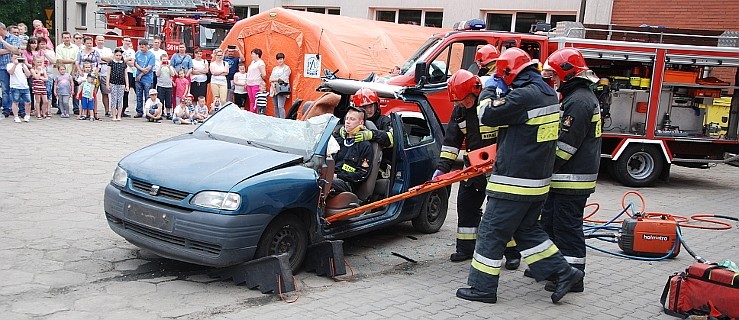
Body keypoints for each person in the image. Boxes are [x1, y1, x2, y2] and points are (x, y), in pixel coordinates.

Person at [456, 48, 583, 304]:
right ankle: (563, 272)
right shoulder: (547, 92)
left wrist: (489, 90)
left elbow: (487, 115)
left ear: (507, 73)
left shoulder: (524, 96)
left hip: (514, 182)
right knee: (527, 231)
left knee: (491, 231)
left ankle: (482, 288)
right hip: (537, 182)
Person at [537, 48, 602, 294]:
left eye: (554, 74)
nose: (551, 79)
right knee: (553, 223)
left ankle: (574, 278)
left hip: (571, 179)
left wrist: (544, 167)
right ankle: (558, 271)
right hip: (565, 178)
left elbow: (566, 146)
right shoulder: (576, 96)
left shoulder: (579, 101)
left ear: (567, 73)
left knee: (567, 227)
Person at [329, 106, 375, 195]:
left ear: (361, 122)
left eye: (352, 119)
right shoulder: (338, 141)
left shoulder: (365, 146)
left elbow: (362, 174)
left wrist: (337, 176)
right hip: (330, 177)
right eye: (346, 119)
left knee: (322, 182)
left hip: (347, 184)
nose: (347, 122)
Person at [350, 88, 393, 176]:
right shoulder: (353, 121)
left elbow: (392, 139)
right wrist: (343, 132)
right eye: (364, 107)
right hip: (355, 164)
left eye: (371, 106)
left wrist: (372, 135)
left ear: (376, 105)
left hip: (379, 167)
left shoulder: (384, 121)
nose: (368, 110)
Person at [0, 23, 22, 118]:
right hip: (2, 67)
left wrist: (2, 42)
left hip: (14, 67)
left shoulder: (14, 38)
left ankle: (17, 109)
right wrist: (10, 50)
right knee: (5, 89)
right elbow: (11, 49)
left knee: (16, 88)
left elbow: (16, 50)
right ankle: (6, 109)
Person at [56, 31, 79, 115]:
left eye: (68, 37)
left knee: (74, 90)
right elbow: (59, 60)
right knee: (61, 89)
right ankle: (60, 108)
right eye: (64, 38)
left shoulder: (75, 48)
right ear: (62, 38)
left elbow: (76, 62)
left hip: (72, 71)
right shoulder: (59, 48)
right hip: (62, 72)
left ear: (70, 38)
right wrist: (71, 61)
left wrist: (72, 73)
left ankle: (76, 108)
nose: (66, 39)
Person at [7, 51, 31, 122]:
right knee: (15, 102)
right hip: (15, 86)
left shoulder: (23, 65)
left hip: (24, 86)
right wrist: (15, 64)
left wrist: (23, 65)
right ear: (11, 58)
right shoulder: (10, 65)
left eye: (18, 58)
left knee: (28, 102)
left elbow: (28, 74)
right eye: (15, 58)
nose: (17, 59)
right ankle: (16, 116)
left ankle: (27, 115)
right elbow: (10, 72)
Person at [134, 39, 155, 118]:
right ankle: (139, 111)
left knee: (147, 96)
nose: (141, 48)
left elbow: (149, 68)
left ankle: (148, 112)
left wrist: (141, 74)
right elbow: (135, 63)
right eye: (140, 46)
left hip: (147, 79)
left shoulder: (151, 55)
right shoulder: (137, 53)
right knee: (138, 95)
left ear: (147, 46)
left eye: (143, 47)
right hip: (138, 78)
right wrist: (141, 70)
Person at [106, 48, 128, 121]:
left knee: (120, 99)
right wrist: (107, 84)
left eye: (120, 55)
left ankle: (119, 115)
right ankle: (113, 115)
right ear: (114, 55)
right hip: (113, 83)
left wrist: (127, 85)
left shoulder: (124, 64)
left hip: (121, 84)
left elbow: (126, 75)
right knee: (114, 99)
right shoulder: (111, 63)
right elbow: (108, 74)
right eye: (117, 55)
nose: (118, 57)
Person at [95, 35, 113, 117]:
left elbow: (110, 59)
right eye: (99, 40)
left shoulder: (108, 50)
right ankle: (93, 110)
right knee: (93, 93)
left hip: (105, 73)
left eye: (102, 40)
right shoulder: (94, 49)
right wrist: (104, 59)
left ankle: (107, 111)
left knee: (105, 93)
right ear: (96, 41)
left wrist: (100, 58)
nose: (100, 41)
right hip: (95, 73)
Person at [269, 52, 291, 118]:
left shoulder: (286, 68)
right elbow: (270, 78)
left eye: (281, 59)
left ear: (283, 59)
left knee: (280, 106)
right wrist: (273, 83)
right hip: (274, 89)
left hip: (282, 89)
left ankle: (282, 120)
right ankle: (277, 119)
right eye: (278, 59)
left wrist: (274, 80)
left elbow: (283, 79)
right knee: (275, 106)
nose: (280, 61)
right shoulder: (275, 68)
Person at [119, 36, 135, 117]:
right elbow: (118, 61)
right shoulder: (118, 49)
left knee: (126, 92)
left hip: (129, 72)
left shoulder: (132, 51)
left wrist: (124, 60)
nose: (127, 42)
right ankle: (118, 109)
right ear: (122, 41)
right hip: (120, 72)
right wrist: (127, 59)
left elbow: (132, 63)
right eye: (126, 40)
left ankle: (124, 109)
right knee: (119, 92)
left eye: (129, 41)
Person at [156, 53, 175, 119]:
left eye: (166, 59)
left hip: (168, 86)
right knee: (160, 100)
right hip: (160, 85)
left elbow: (172, 74)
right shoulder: (159, 66)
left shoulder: (170, 66)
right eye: (163, 60)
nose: (165, 61)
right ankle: (160, 113)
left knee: (168, 100)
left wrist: (169, 67)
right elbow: (157, 74)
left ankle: (168, 113)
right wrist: (161, 67)